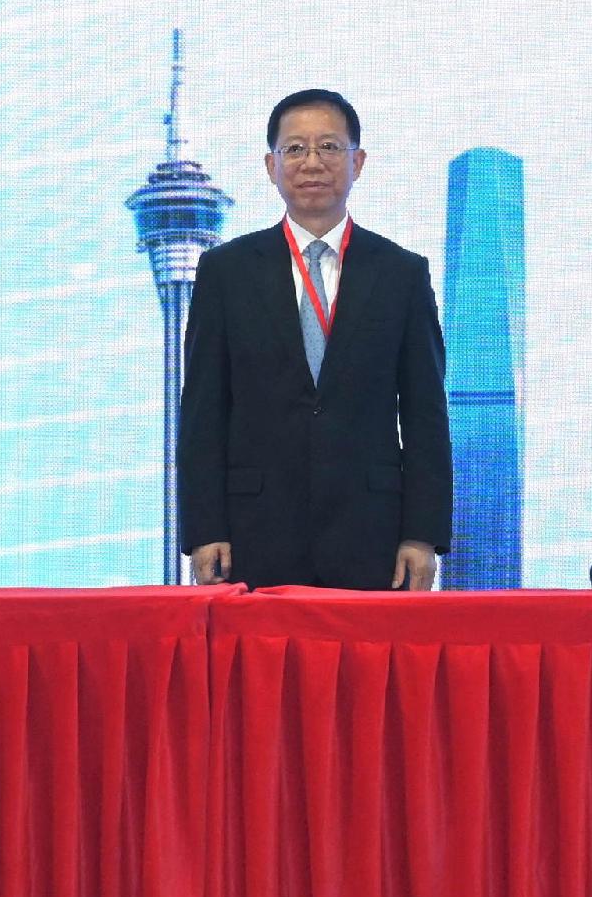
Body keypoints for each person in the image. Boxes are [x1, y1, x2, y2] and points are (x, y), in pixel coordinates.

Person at [176, 89, 453, 589]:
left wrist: (422, 536)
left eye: (329, 147)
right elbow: (202, 411)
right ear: (270, 165)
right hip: (250, 532)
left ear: (357, 161)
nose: (312, 163)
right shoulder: (226, 272)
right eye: (295, 149)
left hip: (373, 533)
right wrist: (203, 528)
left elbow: (425, 414)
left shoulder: (401, 273)